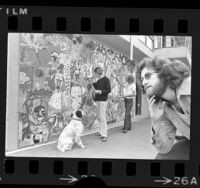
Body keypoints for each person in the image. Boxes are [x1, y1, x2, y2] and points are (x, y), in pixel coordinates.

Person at [135, 55, 191, 159]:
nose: (143, 83)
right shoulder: (163, 108)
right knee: (161, 158)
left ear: (164, 74)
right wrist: (156, 121)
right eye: (142, 80)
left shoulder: (190, 87)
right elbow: (164, 148)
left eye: (147, 76)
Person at [92, 66, 111, 142]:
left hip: (103, 100)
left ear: (98, 73)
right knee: (99, 117)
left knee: (102, 117)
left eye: (95, 73)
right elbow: (97, 88)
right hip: (98, 100)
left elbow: (108, 90)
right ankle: (101, 131)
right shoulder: (98, 80)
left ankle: (104, 134)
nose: (94, 74)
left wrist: (100, 92)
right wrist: (94, 83)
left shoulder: (106, 79)